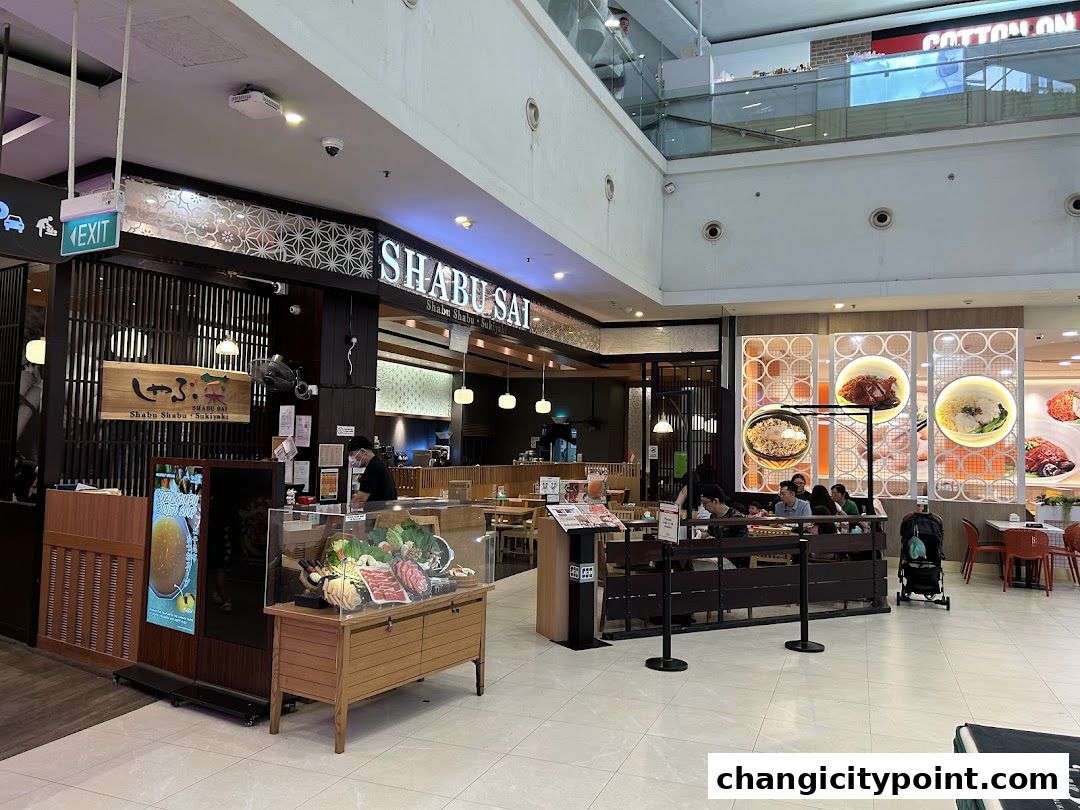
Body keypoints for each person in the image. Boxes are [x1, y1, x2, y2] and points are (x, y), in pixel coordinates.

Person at [699, 484, 751, 568]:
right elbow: (710, 535)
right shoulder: (713, 517)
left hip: (733, 562)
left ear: (715, 501)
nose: (704, 507)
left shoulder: (736, 518)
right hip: (717, 556)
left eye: (705, 503)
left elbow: (741, 545)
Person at [349, 436, 397, 503]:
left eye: (352, 454)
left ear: (362, 452)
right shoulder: (379, 464)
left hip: (378, 511)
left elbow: (361, 499)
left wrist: (348, 508)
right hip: (386, 510)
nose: (351, 458)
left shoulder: (372, 468)